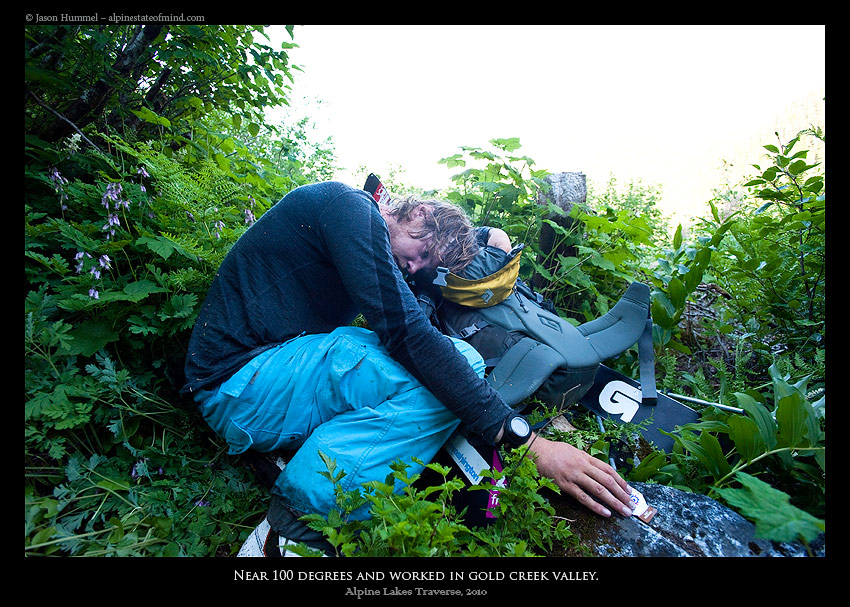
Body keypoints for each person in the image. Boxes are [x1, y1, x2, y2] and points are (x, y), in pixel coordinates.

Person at [181, 181, 636, 557]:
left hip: (262, 390)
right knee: (449, 360)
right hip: (238, 383)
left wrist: (490, 233)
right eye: (419, 252)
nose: (413, 268)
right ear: (415, 212)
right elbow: (408, 335)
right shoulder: (346, 207)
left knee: (451, 360)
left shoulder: (376, 237)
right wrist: (526, 442)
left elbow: (430, 263)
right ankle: (290, 536)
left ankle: (312, 466)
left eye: (424, 267)